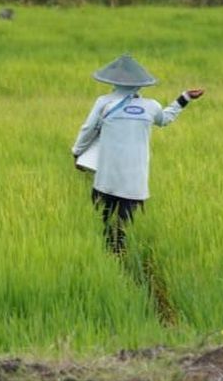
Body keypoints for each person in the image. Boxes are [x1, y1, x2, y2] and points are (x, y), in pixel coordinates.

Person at [71, 54, 204, 254]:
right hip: (134, 180)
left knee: (102, 222)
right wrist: (184, 98)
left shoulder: (104, 102)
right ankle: (121, 255)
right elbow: (165, 119)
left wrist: (77, 152)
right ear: (141, 84)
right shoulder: (151, 106)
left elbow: (88, 129)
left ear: (113, 80)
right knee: (125, 227)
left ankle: (106, 258)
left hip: (107, 176)